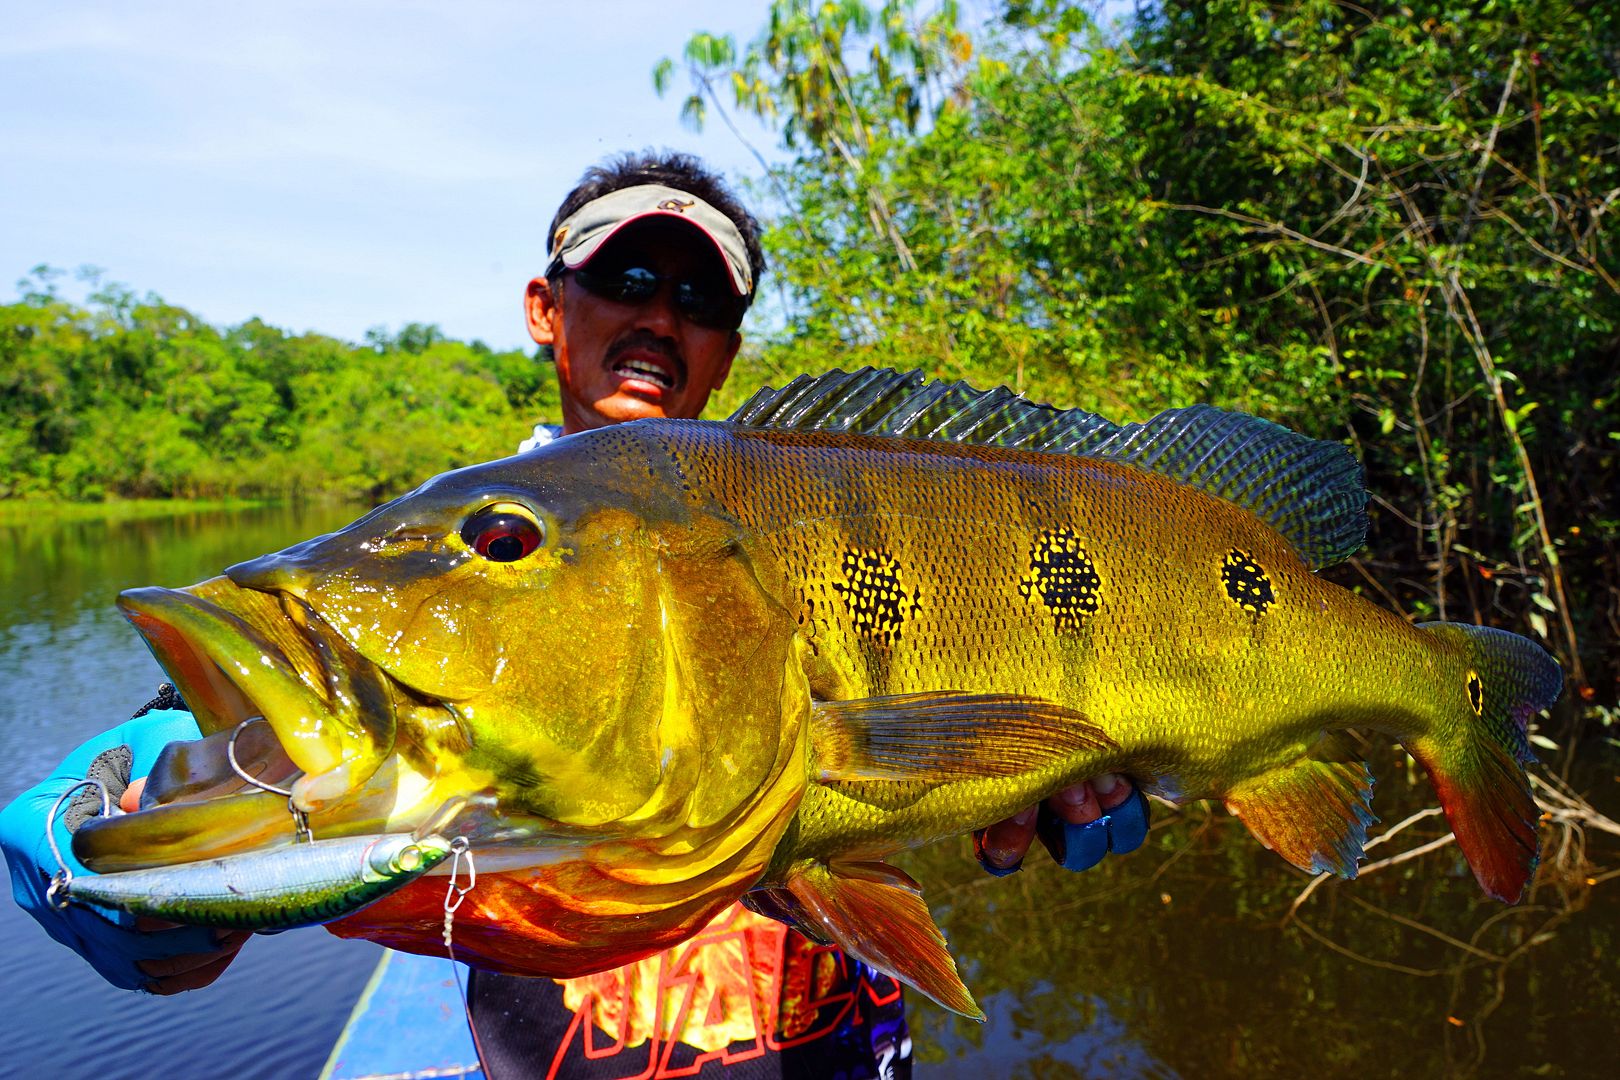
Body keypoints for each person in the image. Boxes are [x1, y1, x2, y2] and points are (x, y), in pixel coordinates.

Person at [1, 152, 1149, 1078]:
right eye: (625, 278)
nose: (659, 315)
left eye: (700, 298)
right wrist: (152, 824)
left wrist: (1062, 788)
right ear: (547, 308)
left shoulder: (817, 503)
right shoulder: (446, 541)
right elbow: (235, 732)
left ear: (729, 346)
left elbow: (976, 754)